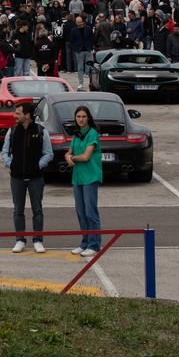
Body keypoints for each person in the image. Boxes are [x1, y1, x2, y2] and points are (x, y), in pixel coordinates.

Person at [0, 102, 52, 254]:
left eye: (17, 113)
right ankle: (20, 240)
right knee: (18, 210)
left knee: (37, 210)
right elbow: (5, 151)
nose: (14, 116)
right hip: (17, 178)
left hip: (36, 178)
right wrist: (10, 164)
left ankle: (38, 240)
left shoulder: (41, 131)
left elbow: (49, 153)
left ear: (27, 115)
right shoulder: (13, 131)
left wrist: (37, 166)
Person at [65, 105, 103, 257]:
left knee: (90, 211)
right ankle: (85, 241)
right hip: (78, 177)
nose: (80, 119)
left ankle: (94, 244)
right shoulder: (76, 134)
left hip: (90, 176)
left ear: (88, 118)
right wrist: (67, 156)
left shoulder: (92, 134)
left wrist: (71, 158)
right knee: (80, 211)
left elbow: (86, 156)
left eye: (83, 117)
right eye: (78, 116)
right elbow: (69, 151)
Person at [70, 15, 94, 91]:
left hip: (88, 49)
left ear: (83, 22)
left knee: (89, 67)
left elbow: (92, 38)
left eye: (80, 22)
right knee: (80, 68)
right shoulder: (73, 30)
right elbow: (72, 41)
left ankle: (91, 82)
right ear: (76, 22)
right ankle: (81, 83)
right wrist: (75, 49)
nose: (79, 24)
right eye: (78, 22)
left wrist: (91, 46)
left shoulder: (88, 29)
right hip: (79, 51)